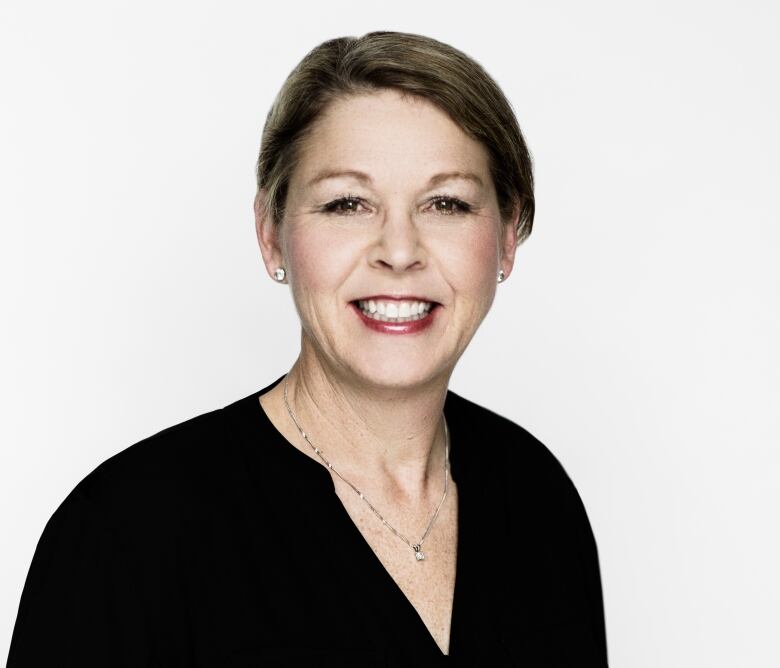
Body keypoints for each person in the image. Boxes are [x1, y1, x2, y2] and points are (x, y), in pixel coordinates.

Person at [7, 31, 608, 665]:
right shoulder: (127, 533)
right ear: (271, 236)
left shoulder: (537, 496)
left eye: (446, 203)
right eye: (348, 203)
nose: (399, 251)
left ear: (507, 238)